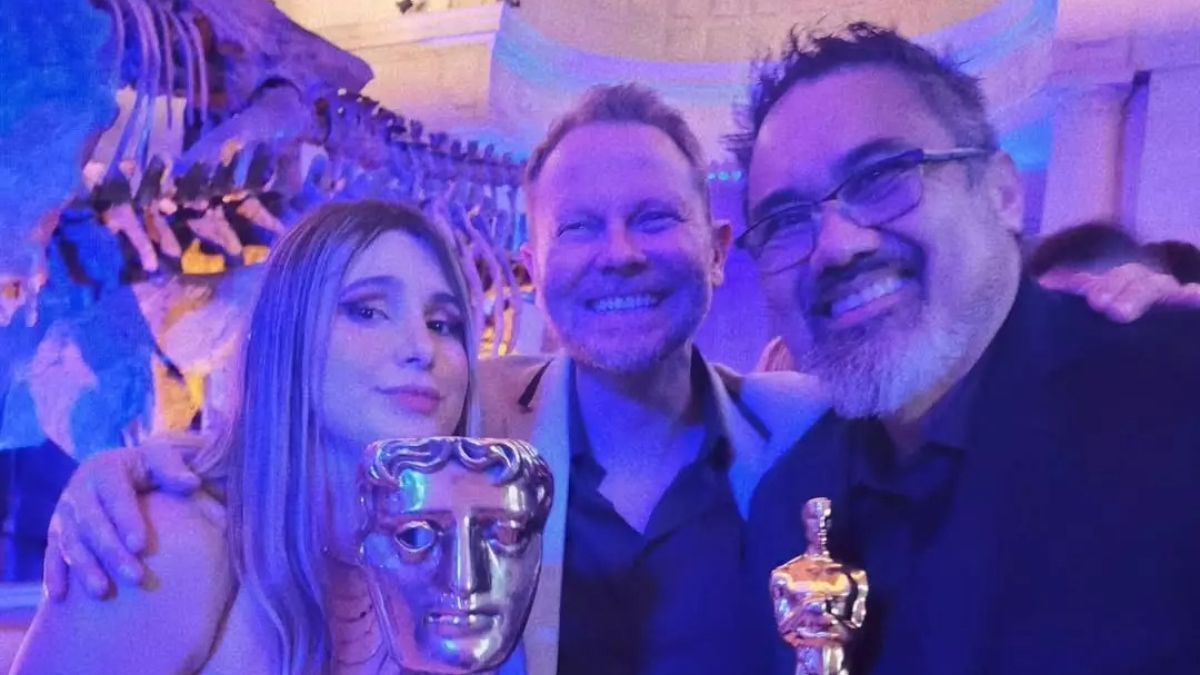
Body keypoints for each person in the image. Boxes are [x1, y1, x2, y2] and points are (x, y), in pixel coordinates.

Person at [40, 85, 826, 675]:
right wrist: (139, 470)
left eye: (444, 321)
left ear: (719, 249)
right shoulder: (488, 435)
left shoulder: (808, 427)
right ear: (532, 268)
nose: (619, 253)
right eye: (579, 226)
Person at [733, 23, 1200, 674]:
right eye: (785, 221)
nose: (837, 246)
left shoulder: (1175, 396)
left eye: (882, 176)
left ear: (1002, 194)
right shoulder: (788, 504)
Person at [12, 200, 510, 673]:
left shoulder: (447, 568)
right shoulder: (174, 547)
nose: (422, 348)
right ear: (287, 336)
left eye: (443, 323)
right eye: (366, 310)